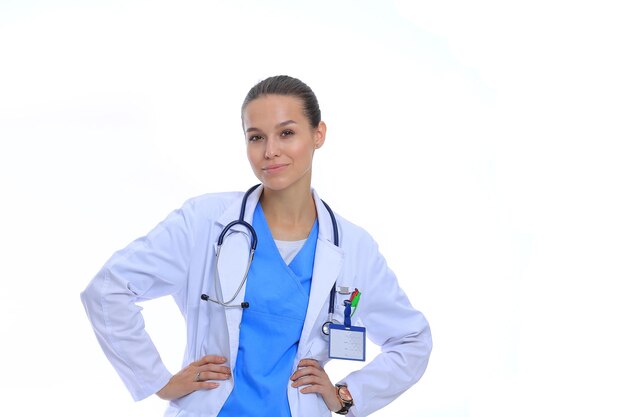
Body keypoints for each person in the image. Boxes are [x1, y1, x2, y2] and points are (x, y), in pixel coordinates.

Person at [80, 75, 432, 417]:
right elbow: (108, 290)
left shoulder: (354, 248)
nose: (270, 151)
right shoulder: (204, 222)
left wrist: (345, 396)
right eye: (256, 137)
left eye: (287, 133)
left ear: (318, 134)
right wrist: (158, 381)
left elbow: (411, 341)